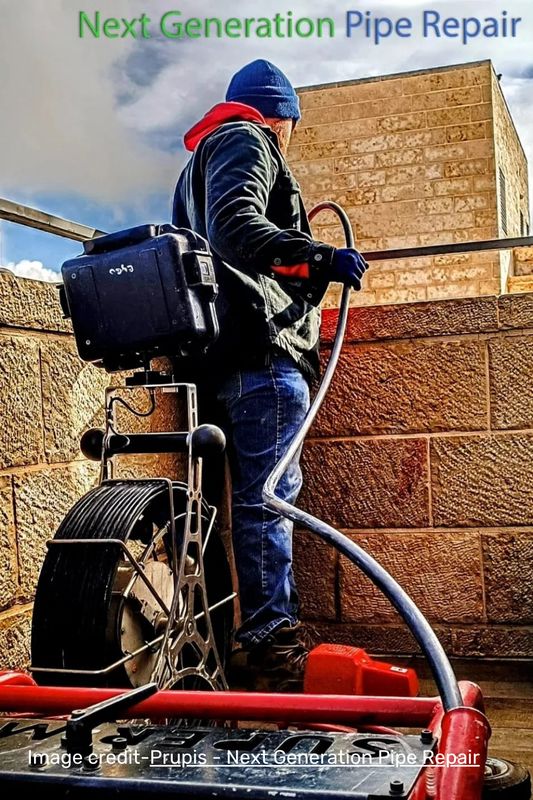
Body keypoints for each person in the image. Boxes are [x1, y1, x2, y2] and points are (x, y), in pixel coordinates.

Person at [172, 59, 368, 691]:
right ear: (283, 117)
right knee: (268, 499)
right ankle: (271, 647)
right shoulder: (247, 138)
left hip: (216, 355)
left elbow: (228, 247)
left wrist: (305, 267)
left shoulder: (197, 164)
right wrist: (321, 255)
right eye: (292, 127)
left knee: (231, 506)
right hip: (262, 353)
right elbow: (237, 229)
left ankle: (226, 644)